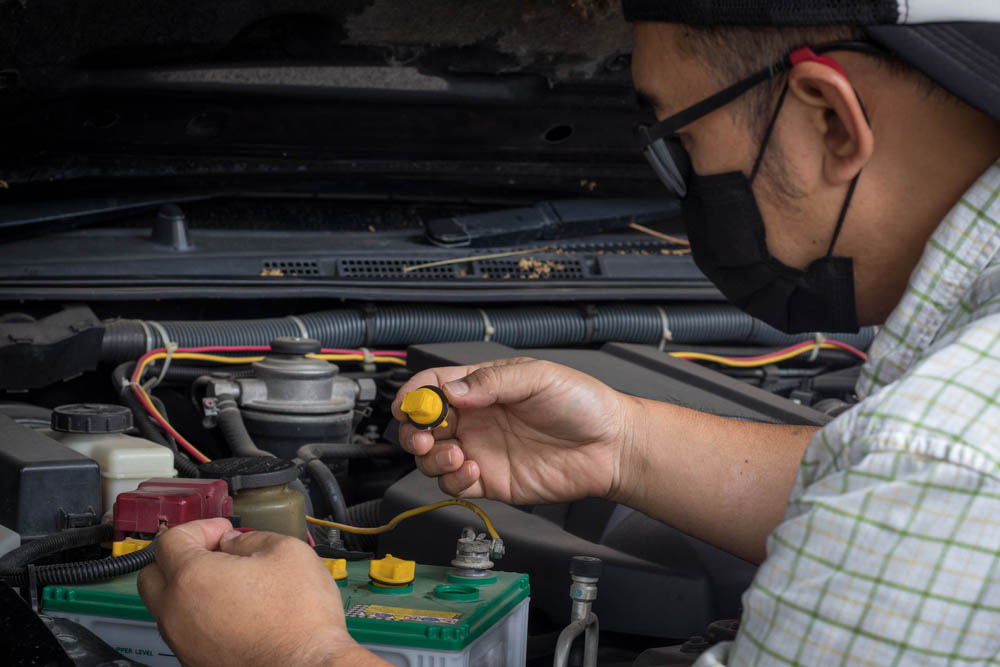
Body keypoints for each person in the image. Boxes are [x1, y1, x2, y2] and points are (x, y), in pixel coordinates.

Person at [138, 1, 1000, 665]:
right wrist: (626, 446)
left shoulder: (939, 453)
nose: (680, 188)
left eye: (680, 144)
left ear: (829, 119)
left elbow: (921, 481)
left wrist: (295, 652)